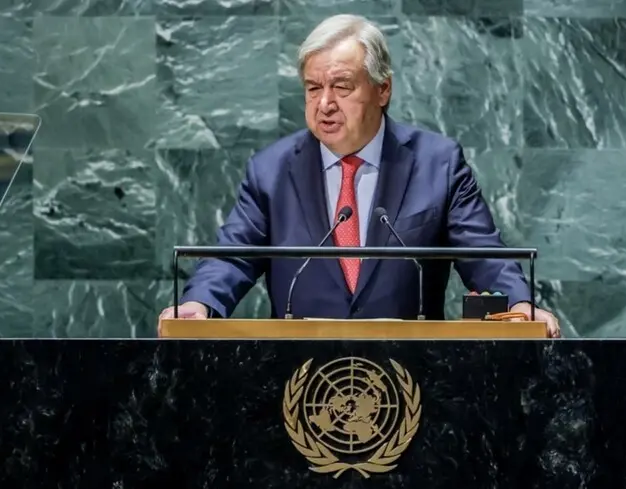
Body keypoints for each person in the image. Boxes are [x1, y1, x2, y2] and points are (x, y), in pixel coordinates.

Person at [158, 14, 561, 338]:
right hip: (298, 377)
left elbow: (483, 253)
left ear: (383, 89)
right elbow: (233, 256)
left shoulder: (437, 164)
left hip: (412, 375)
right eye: (313, 88)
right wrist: (198, 304)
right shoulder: (271, 170)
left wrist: (519, 305)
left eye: (342, 86)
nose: (325, 103)